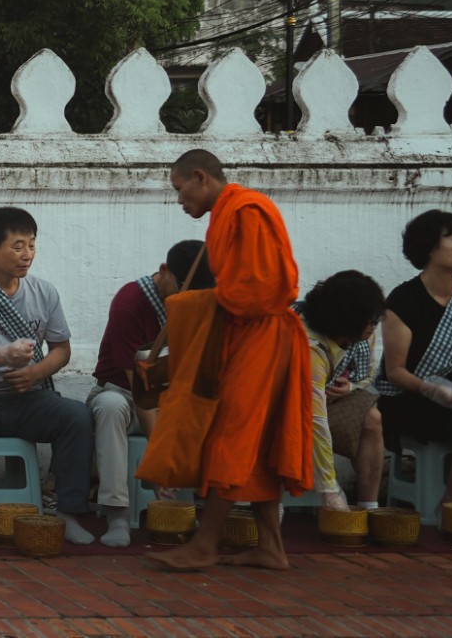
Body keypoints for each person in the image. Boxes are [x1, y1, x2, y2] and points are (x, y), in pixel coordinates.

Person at [142, 149, 312, 571]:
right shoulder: (226, 214)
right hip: (248, 336)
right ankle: (271, 547)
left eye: (181, 190)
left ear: (200, 177)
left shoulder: (248, 209)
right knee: (256, 439)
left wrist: (199, 303)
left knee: (232, 435)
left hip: (262, 337)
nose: (180, 201)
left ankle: (205, 544)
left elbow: (263, 290)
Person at [0, 207, 98, 546]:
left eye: (32, 245)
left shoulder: (44, 292)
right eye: (17, 246)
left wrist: (34, 373)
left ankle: (68, 512)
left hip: (29, 398)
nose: (27, 255)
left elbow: (61, 350)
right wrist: (1, 356)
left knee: (77, 417)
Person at [86, 240, 213, 546]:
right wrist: (160, 461)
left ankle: (193, 508)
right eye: (182, 288)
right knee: (111, 406)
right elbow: (142, 394)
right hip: (125, 393)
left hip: (171, 398)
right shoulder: (130, 301)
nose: (186, 297)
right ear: (163, 271)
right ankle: (117, 513)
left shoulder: (195, 307)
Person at [375, 210, 452, 510]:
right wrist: (436, 390)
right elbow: (396, 371)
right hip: (412, 399)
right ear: (430, 248)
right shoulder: (402, 301)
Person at [297, 271, 387, 512]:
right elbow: (315, 420)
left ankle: (369, 507)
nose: (374, 328)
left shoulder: (361, 332)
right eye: (371, 322)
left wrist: (351, 387)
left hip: (332, 399)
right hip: (290, 408)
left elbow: (369, 374)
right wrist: (329, 488)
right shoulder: (310, 348)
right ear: (348, 321)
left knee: (373, 418)